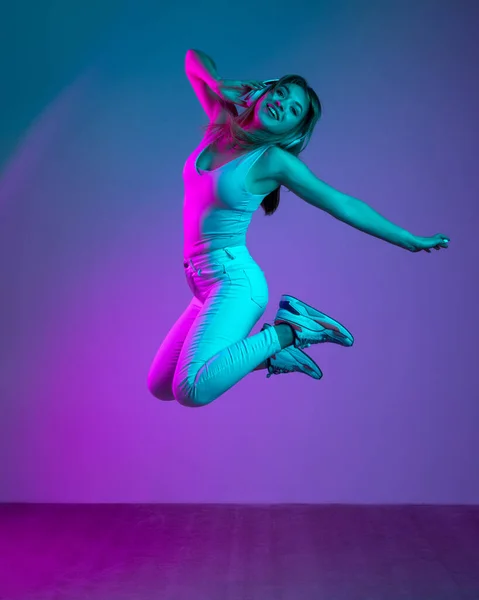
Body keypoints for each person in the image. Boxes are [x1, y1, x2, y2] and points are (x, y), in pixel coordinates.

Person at [147, 49, 449, 408]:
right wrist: (219, 85)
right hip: (202, 282)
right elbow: (192, 60)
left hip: (234, 282)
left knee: (191, 390)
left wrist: (409, 239)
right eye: (282, 94)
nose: (282, 106)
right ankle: (273, 357)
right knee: (161, 385)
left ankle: (292, 328)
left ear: (293, 130)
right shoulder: (222, 122)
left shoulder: (273, 161)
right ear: (265, 90)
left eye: (294, 111)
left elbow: (342, 203)